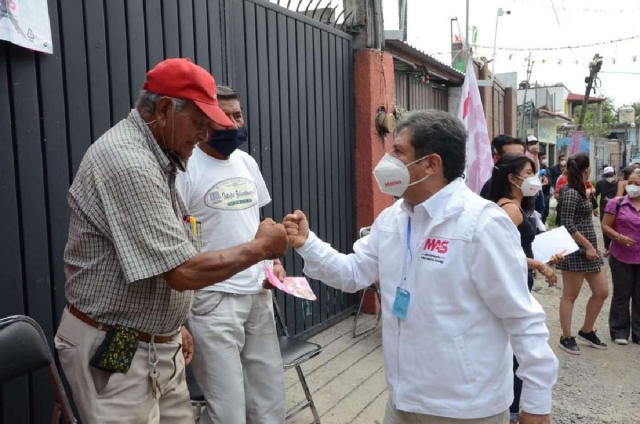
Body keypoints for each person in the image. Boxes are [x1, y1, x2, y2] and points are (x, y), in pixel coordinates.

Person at [283, 110, 559, 424]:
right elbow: (353, 273)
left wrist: (536, 404)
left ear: (431, 163)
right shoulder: (393, 218)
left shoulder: (481, 225)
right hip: (403, 398)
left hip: (464, 408)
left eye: (398, 151)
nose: (387, 160)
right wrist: (309, 244)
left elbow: (522, 317)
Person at [55, 59, 288, 424]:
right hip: (118, 347)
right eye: (199, 123)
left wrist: (172, 323)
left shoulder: (160, 154)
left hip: (154, 344)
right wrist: (261, 248)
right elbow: (180, 271)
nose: (205, 135)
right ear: (165, 109)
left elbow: (159, 257)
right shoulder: (128, 163)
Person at [176, 86, 285, 424]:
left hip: (258, 293)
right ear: (203, 121)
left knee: (269, 399)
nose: (234, 123)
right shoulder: (185, 169)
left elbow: (254, 224)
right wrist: (179, 319)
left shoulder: (246, 162)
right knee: (228, 411)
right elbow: (175, 246)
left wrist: (272, 262)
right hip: (212, 301)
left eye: (238, 115)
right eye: (224, 116)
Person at [490, 154, 559, 424]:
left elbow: (518, 248)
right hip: (514, 282)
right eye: (529, 172)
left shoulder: (518, 207)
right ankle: (515, 409)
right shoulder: (510, 209)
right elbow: (504, 254)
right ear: (512, 178)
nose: (536, 178)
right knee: (518, 350)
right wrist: (539, 265)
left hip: (521, 279)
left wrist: (544, 257)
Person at [556, 153, 609, 355]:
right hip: (575, 250)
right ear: (586, 169)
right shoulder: (569, 192)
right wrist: (587, 246)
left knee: (602, 291)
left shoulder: (581, 190)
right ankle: (566, 336)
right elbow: (566, 224)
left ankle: (586, 331)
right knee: (571, 295)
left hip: (590, 251)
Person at [601, 171, 640, 345]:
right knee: (622, 294)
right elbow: (605, 226)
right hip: (621, 256)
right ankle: (619, 331)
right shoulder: (616, 204)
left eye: (637, 183)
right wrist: (618, 237)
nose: (633, 186)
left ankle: (638, 333)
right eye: (630, 182)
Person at [480, 135, 526, 199]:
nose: (517, 160)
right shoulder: (491, 186)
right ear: (499, 158)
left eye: (520, 156)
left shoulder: (530, 183)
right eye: (511, 156)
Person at [595, 166, 619, 255]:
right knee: (605, 228)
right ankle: (608, 248)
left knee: (617, 228)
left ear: (615, 173)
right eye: (607, 175)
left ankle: (616, 247)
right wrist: (594, 207)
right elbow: (595, 195)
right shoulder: (600, 183)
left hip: (617, 210)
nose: (609, 177)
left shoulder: (620, 184)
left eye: (611, 175)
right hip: (605, 209)